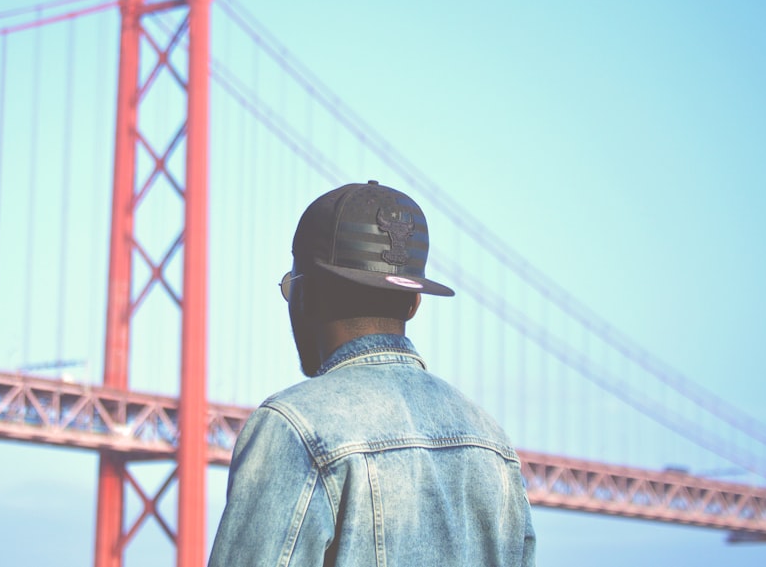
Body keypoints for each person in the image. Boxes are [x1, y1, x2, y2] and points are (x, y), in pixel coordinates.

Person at [208, 180, 536, 566]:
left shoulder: (293, 428)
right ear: (414, 303)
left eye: (288, 286)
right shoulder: (494, 446)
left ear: (305, 294)